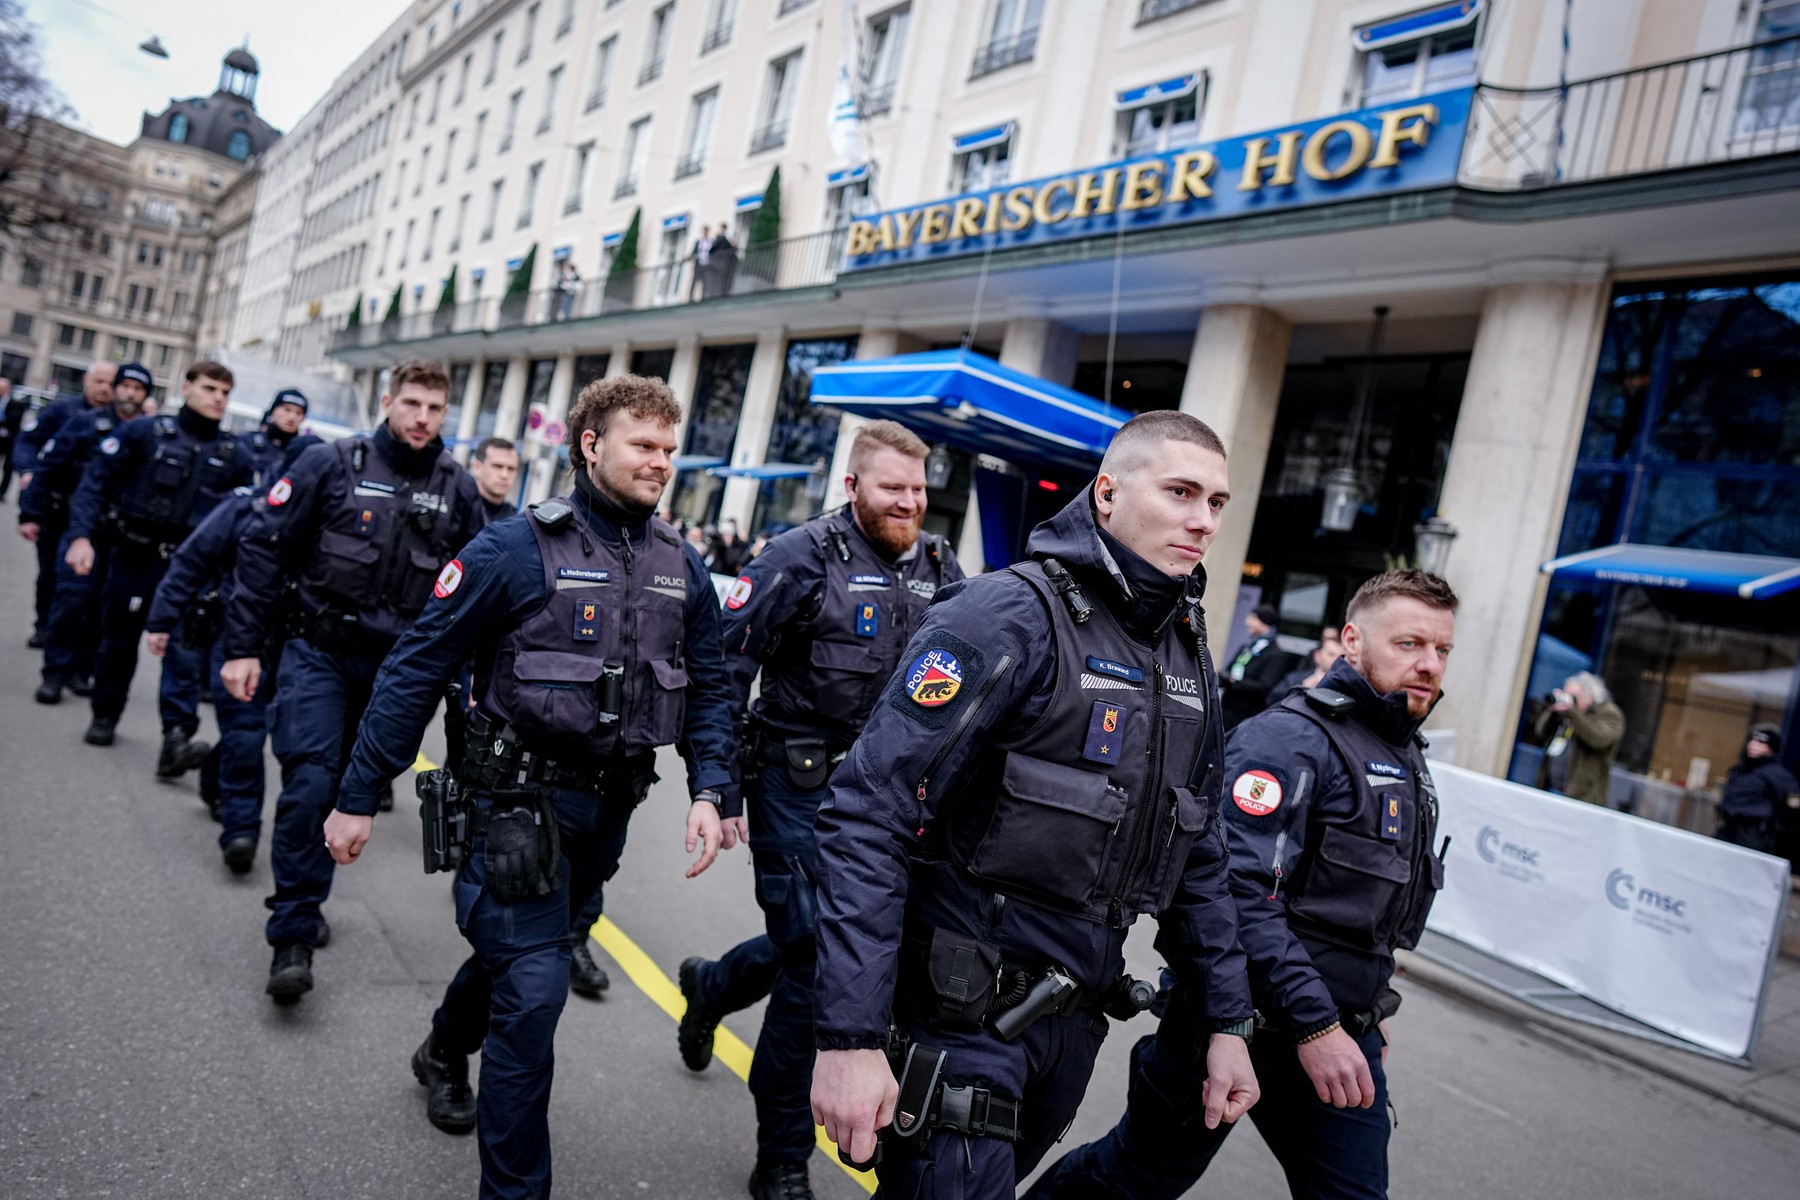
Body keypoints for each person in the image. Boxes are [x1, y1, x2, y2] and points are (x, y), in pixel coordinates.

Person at [810, 411, 1259, 1198]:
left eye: (1217, 502)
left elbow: (1199, 852)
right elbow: (867, 815)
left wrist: (1228, 1020)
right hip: (959, 1016)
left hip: (1070, 1028)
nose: (1204, 520)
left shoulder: (1186, 651)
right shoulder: (1004, 615)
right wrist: (849, 1037)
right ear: (1108, 493)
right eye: (1181, 492)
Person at [320, 374, 739, 1200]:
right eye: (643, 445)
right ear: (591, 445)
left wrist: (712, 789)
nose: (661, 461)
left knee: (520, 961)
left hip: (607, 815)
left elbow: (711, 687)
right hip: (512, 809)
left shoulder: (680, 564)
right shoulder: (514, 549)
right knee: (536, 993)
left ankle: (444, 1048)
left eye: (668, 448)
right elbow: (416, 668)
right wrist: (360, 791)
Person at [1030, 569, 1458, 1200]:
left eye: (1442, 649)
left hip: (1340, 1033)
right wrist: (1318, 1023)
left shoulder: (1406, 753)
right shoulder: (1288, 741)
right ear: (1352, 640)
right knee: (1136, 1179)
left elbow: (1363, 913)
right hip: (1235, 1020)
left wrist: (1365, 1008)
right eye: (1409, 644)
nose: (1429, 664)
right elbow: (1235, 894)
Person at [676, 420, 964, 1200]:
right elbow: (722, 668)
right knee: (815, 962)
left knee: (840, 946)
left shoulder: (943, 567)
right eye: (892, 488)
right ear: (853, 486)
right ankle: (781, 1156)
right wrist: (718, 784)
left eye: (918, 489)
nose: (908, 502)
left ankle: (713, 987)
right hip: (796, 786)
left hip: (893, 798)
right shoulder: (796, 556)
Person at [217, 358, 484, 1002]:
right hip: (319, 652)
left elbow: (480, 595)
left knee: (349, 790)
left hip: (400, 675)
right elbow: (262, 549)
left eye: (435, 408)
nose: (422, 418)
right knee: (310, 781)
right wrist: (243, 648)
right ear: (387, 402)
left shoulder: (459, 490)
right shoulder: (330, 464)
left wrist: (475, 679)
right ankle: (294, 929)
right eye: (412, 403)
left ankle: (307, 894)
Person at [64, 361, 254, 759]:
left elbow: (244, 519)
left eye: (225, 392)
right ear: (186, 387)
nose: (218, 398)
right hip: (136, 558)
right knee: (118, 643)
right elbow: (94, 485)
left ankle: (177, 739)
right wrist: (81, 537)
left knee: (185, 652)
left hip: (192, 572)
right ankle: (105, 715)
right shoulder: (144, 432)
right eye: (210, 389)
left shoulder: (234, 454)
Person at [28, 362, 151, 705]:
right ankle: (54, 673)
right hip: (83, 527)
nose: (130, 394)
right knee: (71, 599)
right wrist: (31, 513)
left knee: (103, 609)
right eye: (125, 386)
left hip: (123, 537)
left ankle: (81, 670)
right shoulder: (84, 423)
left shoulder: (150, 434)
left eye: (138, 389)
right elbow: (48, 467)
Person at [15, 361, 115, 648]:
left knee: (88, 583)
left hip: (94, 517)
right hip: (57, 510)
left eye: (110, 383)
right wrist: (28, 472)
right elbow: (29, 443)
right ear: (86, 381)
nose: (104, 388)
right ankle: (44, 624)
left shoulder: (121, 423)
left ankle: (75, 637)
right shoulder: (62, 411)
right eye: (99, 381)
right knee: (51, 572)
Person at [1533, 671, 1625, 806]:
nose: (1568, 700)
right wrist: (1552, 712)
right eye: (1565, 694)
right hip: (1550, 790)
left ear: (1589, 697)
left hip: (1582, 798)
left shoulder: (1609, 714)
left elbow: (1598, 739)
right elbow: (1541, 732)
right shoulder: (1569, 713)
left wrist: (1573, 712)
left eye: (1573, 697)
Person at [1715, 726, 1798, 856]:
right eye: (1753, 740)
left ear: (1771, 749)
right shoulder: (1740, 770)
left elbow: (1793, 806)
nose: (1753, 745)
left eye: (1761, 743)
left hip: (1754, 834)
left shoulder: (1779, 775)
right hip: (1728, 828)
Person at [1220, 602, 1296, 728]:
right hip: (1227, 708)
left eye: (1252, 618)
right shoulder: (1247, 646)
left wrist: (1234, 683)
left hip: (1246, 715)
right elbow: (1229, 669)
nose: (1247, 622)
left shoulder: (1276, 654)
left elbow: (1264, 686)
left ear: (1263, 621)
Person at [1268, 625, 1343, 708]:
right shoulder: (1295, 678)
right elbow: (1273, 699)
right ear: (1317, 656)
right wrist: (1302, 688)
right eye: (1331, 654)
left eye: (1340, 656)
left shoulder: (1344, 685)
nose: (1335, 660)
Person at [248, 389, 309, 487]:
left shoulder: (302, 454)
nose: (292, 417)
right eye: (287, 410)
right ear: (273, 410)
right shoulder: (247, 442)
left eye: (298, 413)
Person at [468, 436, 521, 521]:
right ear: (476, 468)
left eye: (511, 469)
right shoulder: (456, 509)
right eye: (497, 466)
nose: (504, 475)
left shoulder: (515, 519)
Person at [0, 377, 27, 500]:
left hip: (10, 440)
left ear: (7, 389)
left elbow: (14, 420)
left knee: (8, 468)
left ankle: (2, 492)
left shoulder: (17, 404)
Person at [710, 223, 738, 295]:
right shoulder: (720, 238)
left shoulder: (724, 239)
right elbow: (712, 249)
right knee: (717, 279)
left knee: (721, 279)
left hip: (723, 263)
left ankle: (721, 292)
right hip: (719, 262)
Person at [689, 224, 712, 301]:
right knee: (695, 280)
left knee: (705, 281)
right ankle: (691, 297)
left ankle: (703, 297)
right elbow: (694, 251)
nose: (705, 232)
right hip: (698, 263)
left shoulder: (710, 242)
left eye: (706, 231)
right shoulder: (698, 241)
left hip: (706, 263)